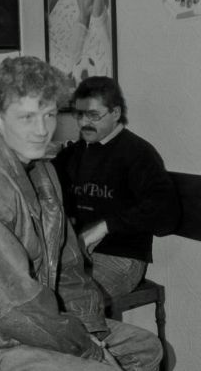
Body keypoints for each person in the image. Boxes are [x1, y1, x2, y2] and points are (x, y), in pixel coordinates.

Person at [0, 56, 162, 370]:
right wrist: (87, 349)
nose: (42, 130)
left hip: (37, 323)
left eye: (49, 115)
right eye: (26, 117)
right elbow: (12, 307)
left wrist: (90, 328)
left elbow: (68, 266)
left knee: (147, 349)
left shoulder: (41, 169)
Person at [52, 76, 180, 299]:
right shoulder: (76, 151)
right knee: (27, 293)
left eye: (93, 115)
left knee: (68, 301)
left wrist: (105, 226)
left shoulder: (138, 153)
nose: (83, 123)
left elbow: (166, 212)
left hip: (121, 257)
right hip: (77, 253)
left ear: (116, 113)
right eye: (79, 115)